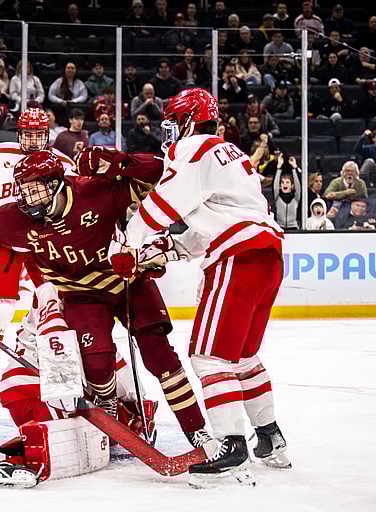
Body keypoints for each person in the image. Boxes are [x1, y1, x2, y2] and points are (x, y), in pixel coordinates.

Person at [0, 149, 215, 459]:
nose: (27, 198)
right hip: (81, 294)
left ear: (56, 183)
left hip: (127, 281)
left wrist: (120, 161)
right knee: (97, 364)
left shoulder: (93, 191)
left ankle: (197, 431)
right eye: (23, 190)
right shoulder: (14, 218)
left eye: (35, 189)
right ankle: (110, 407)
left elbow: (158, 173)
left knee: (161, 357)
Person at [120, 88, 290, 487]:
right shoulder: (233, 155)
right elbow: (215, 221)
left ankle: (231, 445)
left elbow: (164, 204)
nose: (170, 133)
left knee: (209, 358)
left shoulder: (193, 148)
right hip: (267, 257)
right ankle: (270, 437)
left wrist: (128, 244)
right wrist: (170, 250)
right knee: (242, 357)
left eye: (174, 123)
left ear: (188, 121)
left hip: (238, 260)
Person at [0, 281, 157, 487]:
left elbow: (109, 361)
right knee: (67, 427)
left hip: (58, 386)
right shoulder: (51, 292)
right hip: (31, 389)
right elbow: (55, 344)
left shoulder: (85, 297)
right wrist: (69, 406)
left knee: (104, 401)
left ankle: (130, 420)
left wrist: (139, 404)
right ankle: (20, 459)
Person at [0, 107, 75, 405]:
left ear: (47, 135)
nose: (33, 141)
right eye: (28, 134)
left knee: (54, 302)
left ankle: (58, 370)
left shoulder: (61, 163)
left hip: (43, 242)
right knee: (0, 312)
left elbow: (78, 199)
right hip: (4, 241)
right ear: (19, 133)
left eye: (39, 135)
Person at [272, 154, 301, 230]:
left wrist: (294, 167)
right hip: (279, 228)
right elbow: (275, 186)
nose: (285, 184)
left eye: (287, 182)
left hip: (293, 228)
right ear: (280, 185)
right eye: (282, 182)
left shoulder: (296, 198)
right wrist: (279, 167)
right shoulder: (277, 197)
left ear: (292, 186)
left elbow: (298, 185)